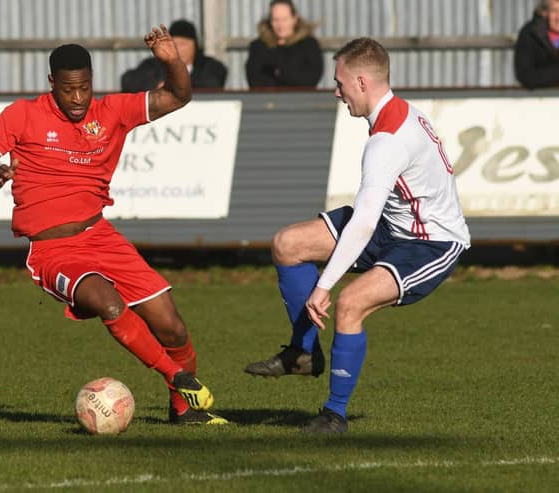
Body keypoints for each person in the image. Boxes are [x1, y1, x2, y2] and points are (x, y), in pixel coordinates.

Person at [0, 25, 227, 426]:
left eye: (85, 87)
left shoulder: (112, 112)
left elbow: (178, 95)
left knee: (171, 325)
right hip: (52, 252)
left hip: (100, 236)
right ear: (52, 83)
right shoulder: (22, 115)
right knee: (108, 302)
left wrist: (171, 60)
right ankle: (179, 378)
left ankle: (182, 409)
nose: (78, 98)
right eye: (68, 89)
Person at [244, 37, 471, 434]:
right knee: (288, 245)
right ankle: (304, 352)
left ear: (362, 82)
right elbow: (372, 216)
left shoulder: (388, 140)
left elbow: (363, 222)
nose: (336, 91)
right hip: (393, 224)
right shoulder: (395, 114)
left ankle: (334, 415)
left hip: (429, 242)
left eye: (340, 83)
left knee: (349, 303)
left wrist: (324, 286)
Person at [121, 19, 227, 92]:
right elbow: (128, 80)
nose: (178, 49)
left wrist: (176, 87)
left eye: (183, 45)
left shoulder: (208, 66)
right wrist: (156, 85)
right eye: (174, 44)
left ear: (195, 46)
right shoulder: (154, 65)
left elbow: (214, 82)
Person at [245, 0, 323, 88]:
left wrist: (278, 72)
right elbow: (254, 80)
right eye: (276, 20)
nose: (280, 25)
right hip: (268, 99)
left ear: (295, 19)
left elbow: (311, 78)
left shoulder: (309, 45)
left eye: (285, 19)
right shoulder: (259, 47)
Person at [514, 0, 559, 89]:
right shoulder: (531, 34)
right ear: (544, 13)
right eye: (555, 11)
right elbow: (525, 75)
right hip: (540, 97)